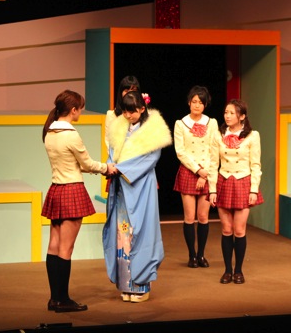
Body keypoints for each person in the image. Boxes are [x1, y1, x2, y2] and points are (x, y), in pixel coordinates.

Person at [42, 89, 116, 312]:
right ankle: (62, 300)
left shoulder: (49, 132)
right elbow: (86, 163)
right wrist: (107, 168)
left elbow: (75, 164)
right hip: (71, 190)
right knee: (66, 248)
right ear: (73, 110)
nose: (81, 112)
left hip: (56, 189)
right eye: (80, 108)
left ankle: (55, 298)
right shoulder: (70, 134)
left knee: (54, 246)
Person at [103, 90, 172, 302]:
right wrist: (111, 165)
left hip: (141, 185)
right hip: (122, 187)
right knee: (122, 233)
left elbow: (151, 159)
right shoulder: (119, 127)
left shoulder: (152, 130)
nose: (128, 115)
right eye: (125, 111)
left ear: (142, 109)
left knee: (141, 231)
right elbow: (112, 153)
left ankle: (141, 287)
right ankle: (126, 285)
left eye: (132, 111)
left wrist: (122, 169)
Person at [209, 99, 263, 284]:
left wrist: (254, 190)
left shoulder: (252, 136)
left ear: (242, 116)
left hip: (243, 182)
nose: (227, 116)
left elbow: (255, 165)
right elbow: (213, 164)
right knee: (226, 229)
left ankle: (238, 270)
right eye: (226, 112)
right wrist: (212, 189)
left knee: (239, 230)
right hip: (224, 181)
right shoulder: (218, 135)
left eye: (232, 113)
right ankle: (227, 270)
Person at [173, 85, 218, 268]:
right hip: (189, 171)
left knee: (203, 216)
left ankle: (201, 255)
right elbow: (180, 152)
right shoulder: (180, 123)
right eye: (194, 101)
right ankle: (191, 255)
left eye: (200, 102)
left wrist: (204, 173)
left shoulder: (212, 123)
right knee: (190, 216)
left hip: (207, 172)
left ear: (205, 104)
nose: (197, 105)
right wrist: (197, 170)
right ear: (189, 103)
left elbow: (214, 149)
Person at [105, 75, 141, 151]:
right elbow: (108, 141)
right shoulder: (111, 115)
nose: (130, 93)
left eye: (133, 90)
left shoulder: (143, 112)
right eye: (126, 91)